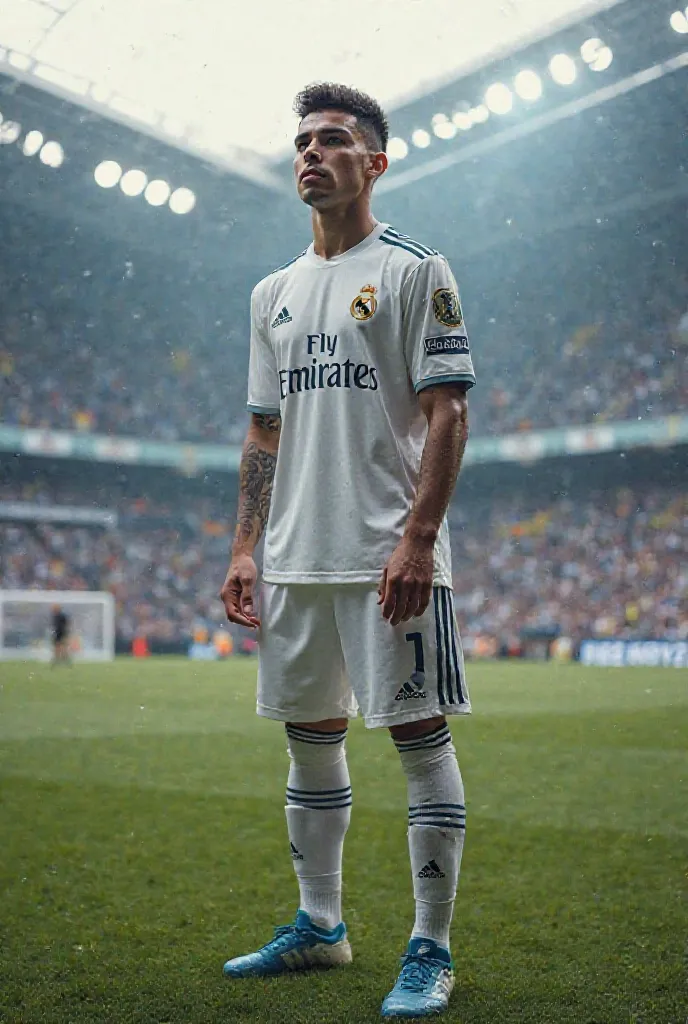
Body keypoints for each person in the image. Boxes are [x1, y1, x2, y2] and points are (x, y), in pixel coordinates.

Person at [220, 82, 476, 1019]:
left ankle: (430, 948)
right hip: (294, 559)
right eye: (302, 142)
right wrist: (246, 547)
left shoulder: (416, 268)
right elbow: (263, 435)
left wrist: (418, 538)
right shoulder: (272, 294)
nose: (311, 154)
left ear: (375, 161)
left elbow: (450, 412)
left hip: (385, 559)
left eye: (333, 140)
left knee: (418, 738)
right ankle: (320, 927)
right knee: (310, 741)